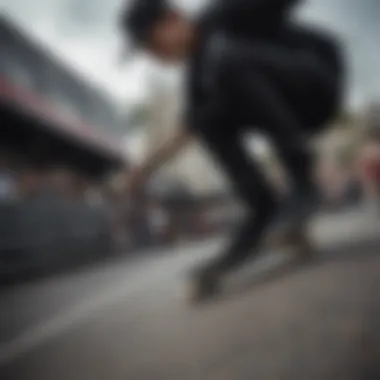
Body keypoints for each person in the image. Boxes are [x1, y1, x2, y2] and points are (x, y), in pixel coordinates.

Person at [120, 0, 345, 299]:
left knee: (225, 62)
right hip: (289, 111)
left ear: (173, 19)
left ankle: (302, 178)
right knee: (204, 117)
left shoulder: (223, 15)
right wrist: (144, 169)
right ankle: (262, 208)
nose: (155, 57)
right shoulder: (195, 76)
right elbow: (185, 130)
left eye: (152, 44)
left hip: (316, 80)